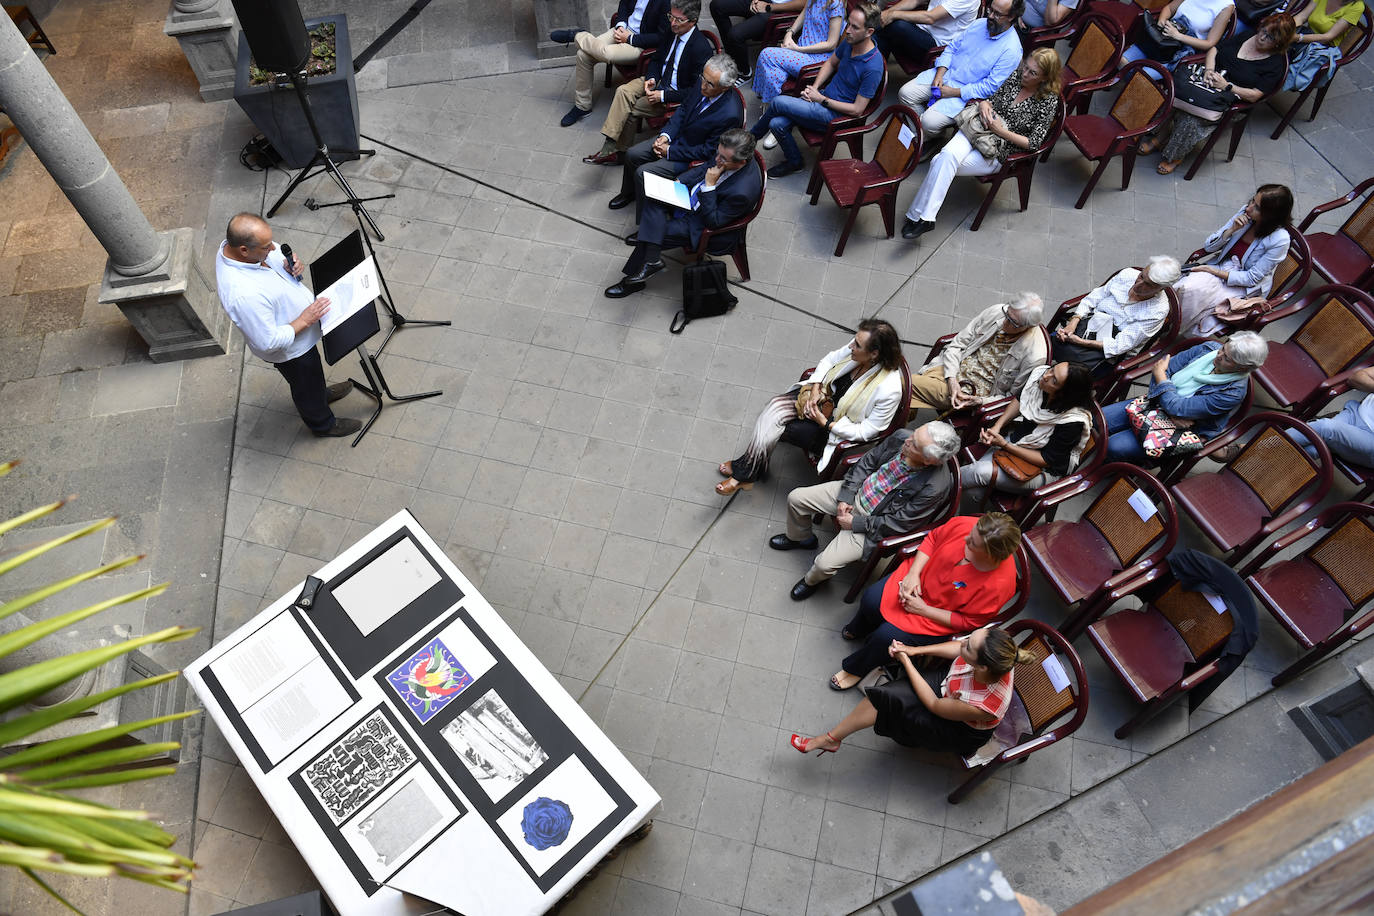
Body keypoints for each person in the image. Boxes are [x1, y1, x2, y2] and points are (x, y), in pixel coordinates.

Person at [828, 513, 1022, 690]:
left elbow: (968, 621)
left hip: (936, 614)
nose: (965, 539)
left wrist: (923, 610)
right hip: (919, 575)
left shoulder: (999, 585)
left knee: (885, 637)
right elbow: (933, 539)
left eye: (973, 543)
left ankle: (857, 668)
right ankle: (861, 628)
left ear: (990, 555)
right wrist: (914, 574)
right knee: (871, 599)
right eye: (971, 534)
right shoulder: (968, 525)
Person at [769, 422, 961, 600]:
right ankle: (801, 538)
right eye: (915, 434)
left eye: (915, 444)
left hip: (871, 525)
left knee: (823, 565)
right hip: (857, 493)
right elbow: (867, 462)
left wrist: (855, 523)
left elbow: (899, 523)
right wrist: (847, 495)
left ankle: (812, 581)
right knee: (796, 498)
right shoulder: (902, 436)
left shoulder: (935, 487)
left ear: (928, 461)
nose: (908, 440)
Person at [717, 320, 905, 495]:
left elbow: (868, 432)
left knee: (781, 427)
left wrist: (825, 422)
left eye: (857, 345)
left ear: (875, 354)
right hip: (822, 401)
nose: (850, 347)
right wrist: (815, 389)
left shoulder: (889, 389)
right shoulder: (860, 348)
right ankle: (749, 472)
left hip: (832, 427)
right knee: (773, 408)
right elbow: (829, 361)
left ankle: (743, 473)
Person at [216, 214, 360, 438]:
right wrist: (304, 319)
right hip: (292, 350)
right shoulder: (242, 294)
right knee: (304, 383)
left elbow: (272, 258)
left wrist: (288, 265)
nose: (273, 248)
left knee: (312, 377)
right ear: (244, 250)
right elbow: (267, 341)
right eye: (266, 247)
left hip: (303, 337)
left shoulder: (238, 247)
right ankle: (323, 424)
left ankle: (320, 394)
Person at [791, 625, 1035, 756]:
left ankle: (833, 739)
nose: (964, 642)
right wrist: (913, 651)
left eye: (969, 646)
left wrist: (905, 661)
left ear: (981, 665)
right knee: (885, 696)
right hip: (950, 685)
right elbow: (957, 648)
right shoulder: (990, 652)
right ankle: (831, 740)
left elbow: (935, 706)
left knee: (901, 711)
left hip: (956, 726)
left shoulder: (984, 704)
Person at [900, 48, 1061, 240]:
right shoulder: (1017, 76)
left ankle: (917, 216)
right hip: (978, 126)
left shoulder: (1049, 101)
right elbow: (992, 100)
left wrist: (1001, 132)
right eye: (1025, 67)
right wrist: (985, 105)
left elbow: (1034, 143)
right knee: (946, 157)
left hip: (1001, 150)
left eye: (1032, 73)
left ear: (1045, 78)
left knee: (940, 161)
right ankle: (925, 218)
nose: (1024, 74)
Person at [606, 128, 763, 297]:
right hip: (689, 197)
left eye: (723, 159)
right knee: (652, 197)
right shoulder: (725, 153)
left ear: (742, 162)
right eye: (717, 154)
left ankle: (632, 281)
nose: (717, 159)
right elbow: (704, 168)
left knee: (652, 234)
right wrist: (679, 182)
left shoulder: (743, 192)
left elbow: (713, 221)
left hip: (699, 221)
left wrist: (709, 187)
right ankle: (652, 260)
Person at [1141, 14, 1296, 174]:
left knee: (1192, 118)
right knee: (1175, 92)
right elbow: (1215, 49)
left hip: (1230, 98)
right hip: (1206, 79)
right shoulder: (1248, 36)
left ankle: (1174, 156)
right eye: (1263, 30)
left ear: (1279, 42)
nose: (1262, 37)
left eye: (1269, 36)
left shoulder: (1275, 64)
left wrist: (1227, 86)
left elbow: (1255, 95)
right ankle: (1161, 135)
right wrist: (1209, 69)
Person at [749, 2, 886, 179]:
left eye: (854, 27)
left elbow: (858, 110)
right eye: (849, 23)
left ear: (869, 32)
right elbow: (830, 63)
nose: (848, 30)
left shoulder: (873, 67)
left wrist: (820, 99)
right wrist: (814, 88)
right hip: (824, 98)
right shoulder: (851, 41)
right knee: (777, 124)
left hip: (837, 116)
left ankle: (748, 141)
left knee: (778, 102)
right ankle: (795, 162)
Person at [608, 54, 745, 214]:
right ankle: (629, 193)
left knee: (643, 173)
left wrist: (670, 151)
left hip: (689, 155)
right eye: (703, 78)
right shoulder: (704, 83)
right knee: (632, 154)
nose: (703, 86)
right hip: (676, 138)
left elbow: (708, 151)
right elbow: (684, 109)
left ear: (724, 88)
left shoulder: (730, 115)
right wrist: (665, 136)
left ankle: (646, 224)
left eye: (710, 84)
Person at [1102, 331, 1268, 462]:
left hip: (1182, 429)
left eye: (1227, 359)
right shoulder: (1207, 348)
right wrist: (1167, 395)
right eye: (1223, 349)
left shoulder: (1233, 393)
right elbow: (1162, 370)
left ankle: (1108, 469)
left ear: (1241, 368)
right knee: (1097, 419)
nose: (1218, 355)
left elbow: (1166, 383)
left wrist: (1162, 382)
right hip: (1155, 404)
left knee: (1114, 447)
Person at [583, 1, 715, 165]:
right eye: (671, 17)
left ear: (692, 21)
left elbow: (695, 92)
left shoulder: (701, 49)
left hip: (671, 93)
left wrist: (663, 95)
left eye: (678, 20)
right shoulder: (671, 30)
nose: (672, 23)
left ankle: (618, 152)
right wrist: (651, 77)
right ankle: (610, 147)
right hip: (657, 80)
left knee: (629, 109)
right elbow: (657, 59)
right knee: (623, 91)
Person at [960, 362, 1096, 504]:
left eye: (1054, 380)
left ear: (1063, 394)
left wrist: (1005, 444)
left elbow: (1046, 459)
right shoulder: (1041, 382)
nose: (1046, 376)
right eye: (1051, 370)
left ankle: (939, 488)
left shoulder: (1072, 422)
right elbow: (1021, 399)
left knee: (979, 472)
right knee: (974, 491)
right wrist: (997, 427)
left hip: (1043, 469)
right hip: (1019, 442)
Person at [1175, 185, 1293, 337]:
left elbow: (1251, 278)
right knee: (1186, 287)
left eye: (1257, 208)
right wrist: (1231, 231)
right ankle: (1168, 321)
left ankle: (1173, 329)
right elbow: (1209, 247)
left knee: (1199, 296)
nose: (1249, 209)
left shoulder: (1280, 240)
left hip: (1242, 285)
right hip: (1221, 266)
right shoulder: (1245, 213)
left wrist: (1211, 270)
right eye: (1252, 201)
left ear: (1270, 216)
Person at [896, 0, 1025, 139]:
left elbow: (990, 87)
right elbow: (951, 48)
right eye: (990, 10)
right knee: (905, 94)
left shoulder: (1012, 49)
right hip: (947, 73)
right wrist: (940, 72)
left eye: (998, 14)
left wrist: (955, 92)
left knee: (928, 122)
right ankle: (925, 138)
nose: (991, 16)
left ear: (1012, 17)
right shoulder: (979, 24)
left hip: (965, 93)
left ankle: (919, 137)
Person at [908, 294, 1048, 413]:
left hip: (970, 393)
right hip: (954, 365)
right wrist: (951, 378)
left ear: (1028, 326)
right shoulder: (997, 311)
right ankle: (903, 416)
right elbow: (958, 344)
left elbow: (1012, 398)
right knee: (909, 391)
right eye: (1007, 315)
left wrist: (981, 401)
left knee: (906, 384)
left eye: (1013, 322)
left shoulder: (1034, 356)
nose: (1004, 322)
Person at [550, 0, 672, 126]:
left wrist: (630, 38)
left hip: (639, 43)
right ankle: (582, 106)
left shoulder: (664, 3)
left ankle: (577, 35)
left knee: (606, 53)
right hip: (622, 30)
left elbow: (661, 37)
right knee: (583, 55)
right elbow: (624, 4)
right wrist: (620, 26)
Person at [1051, 256, 1182, 373]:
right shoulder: (1128, 275)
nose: (1138, 284)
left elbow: (1120, 345)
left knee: (1071, 373)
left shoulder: (1157, 311)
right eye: (1142, 276)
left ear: (1161, 289)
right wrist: (1074, 322)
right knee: (1047, 344)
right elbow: (1095, 297)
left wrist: (1080, 342)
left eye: (1148, 285)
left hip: (1106, 348)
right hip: (1088, 324)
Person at [752, 0, 847, 108]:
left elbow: (831, 44)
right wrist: (790, 32)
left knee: (767, 54)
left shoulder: (836, 5)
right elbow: (804, 12)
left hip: (816, 59)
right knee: (774, 71)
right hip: (801, 50)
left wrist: (798, 49)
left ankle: (770, 104)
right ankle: (773, 105)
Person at [1284, 366, 1374, 468]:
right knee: (1316, 447)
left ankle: (1267, 445)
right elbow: (1357, 378)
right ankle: (1272, 470)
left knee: (1325, 428)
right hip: (1355, 413)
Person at [1122, 0, 1234, 67]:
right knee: (1123, 61)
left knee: (1143, 76)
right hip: (1166, 33)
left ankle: (1133, 97)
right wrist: (1161, 21)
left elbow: (1210, 43)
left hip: (1183, 47)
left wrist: (1178, 36)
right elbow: (1169, 8)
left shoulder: (1226, 6)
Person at [710, 0, 805, 78]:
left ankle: (744, 72)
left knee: (735, 34)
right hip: (765, 2)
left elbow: (804, 3)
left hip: (781, 10)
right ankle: (732, 56)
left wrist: (769, 7)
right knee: (717, 6)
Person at [1286, 0, 1366, 91]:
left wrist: (1298, 38)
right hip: (1304, 35)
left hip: (1321, 47)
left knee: (1281, 54)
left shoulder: (1357, 6)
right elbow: (1302, 16)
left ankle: (1273, 81)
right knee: (1275, 42)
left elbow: (1328, 37)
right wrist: (1286, 28)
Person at [872, 0, 981, 65]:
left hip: (938, 47)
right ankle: (870, 73)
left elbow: (931, 17)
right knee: (883, 27)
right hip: (921, 30)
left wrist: (893, 15)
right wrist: (886, 14)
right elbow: (915, 1)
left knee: (897, 25)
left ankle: (872, 75)